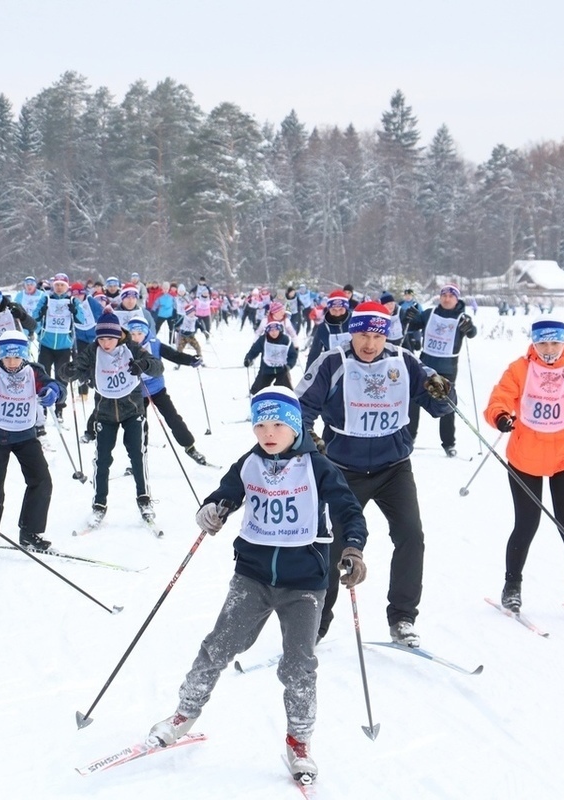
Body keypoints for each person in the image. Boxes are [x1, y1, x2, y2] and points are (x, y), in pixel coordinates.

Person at [147, 386, 367, 785]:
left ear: (295, 426)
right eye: (260, 424)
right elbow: (226, 493)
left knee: (299, 664)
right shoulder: (250, 463)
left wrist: (353, 548)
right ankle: (183, 713)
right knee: (218, 646)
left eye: (278, 424)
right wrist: (213, 509)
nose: (268, 432)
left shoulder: (317, 467)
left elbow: (348, 509)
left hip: (304, 583)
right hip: (252, 575)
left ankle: (299, 742)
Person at [295, 301, 456, 647]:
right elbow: (301, 408)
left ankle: (402, 619)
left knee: (411, 536)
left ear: (387, 336)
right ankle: (317, 622)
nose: (369, 344)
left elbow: (440, 406)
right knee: (331, 544)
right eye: (363, 335)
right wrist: (310, 441)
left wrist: (443, 391)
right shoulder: (333, 362)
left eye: (376, 336)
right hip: (343, 470)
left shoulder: (404, 362)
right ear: (352, 332)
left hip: (393, 468)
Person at [484, 318, 564, 617]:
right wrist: (501, 415)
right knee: (526, 524)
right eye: (542, 343)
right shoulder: (519, 368)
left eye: (555, 343)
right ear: (533, 343)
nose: (549, 349)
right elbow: (500, 398)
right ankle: (512, 587)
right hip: (525, 457)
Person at [0, 330, 62, 556]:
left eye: (17, 357)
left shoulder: (33, 372)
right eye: (8, 357)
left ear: (24, 356)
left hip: (25, 436)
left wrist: (53, 392)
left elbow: (53, 385)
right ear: (1, 356)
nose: (12, 362)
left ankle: (31, 534)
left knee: (42, 481)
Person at [70, 312, 161, 527]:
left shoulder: (132, 348)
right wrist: (72, 371)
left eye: (109, 338)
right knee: (102, 460)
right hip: (105, 413)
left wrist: (143, 366)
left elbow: (157, 367)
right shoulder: (93, 351)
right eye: (101, 338)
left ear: (118, 335)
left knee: (137, 456)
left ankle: (144, 500)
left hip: (132, 410)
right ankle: (99, 504)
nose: (105, 343)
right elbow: (73, 370)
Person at [405, 284, 477, 456]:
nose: (446, 299)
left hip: (447, 367)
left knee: (446, 405)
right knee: (414, 401)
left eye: (451, 296)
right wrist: (409, 317)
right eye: (444, 295)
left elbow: (472, 333)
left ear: (456, 299)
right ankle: (409, 437)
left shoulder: (461, 317)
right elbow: (413, 326)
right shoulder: (430, 314)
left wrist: (470, 328)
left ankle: (448, 443)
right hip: (425, 364)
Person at [126, 318, 208, 465]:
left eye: (139, 333)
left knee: (173, 418)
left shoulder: (155, 344)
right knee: (139, 426)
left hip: (157, 389)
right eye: (132, 334)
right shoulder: (125, 348)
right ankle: (137, 459)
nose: (136, 337)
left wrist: (190, 360)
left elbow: (174, 355)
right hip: (136, 393)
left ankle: (190, 447)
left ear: (146, 333)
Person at [35, 273, 85, 422]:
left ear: (67, 287)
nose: (59, 287)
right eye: (56, 284)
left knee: (61, 376)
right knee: (43, 375)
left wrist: (75, 311)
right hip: (46, 344)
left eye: (62, 285)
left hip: (64, 345)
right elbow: (35, 316)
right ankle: (42, 407)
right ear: (53, 285)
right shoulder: (46, 298)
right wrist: (41, 311)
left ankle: (59, 408)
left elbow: (81, 320)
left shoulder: (72, 300)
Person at [244, 321, 298, 393]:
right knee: (258, 389)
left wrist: (289, 365)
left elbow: (293, 355)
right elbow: (253, 351)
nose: (274, 332)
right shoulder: (263, 339)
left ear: (280, 330)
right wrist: (248, 359)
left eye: (276, 330)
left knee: (286, 391)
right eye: (271, 330)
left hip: (282, 369)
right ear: (267, 331)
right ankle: (256, 396)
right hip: (266, 368)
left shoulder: (286, 340)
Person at [303, 290, 351, 369]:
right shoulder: (323, 328)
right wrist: (308, 376)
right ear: (329, 309)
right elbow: (314, 353)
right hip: (333, 370)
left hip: (356, 369)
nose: (337, 313)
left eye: (341, 309)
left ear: (346, 308)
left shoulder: (355, 322)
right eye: (334, 310)